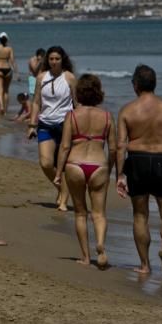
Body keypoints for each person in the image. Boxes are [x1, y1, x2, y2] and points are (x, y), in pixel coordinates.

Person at [117, 64, 162, 276]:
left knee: (140, 214)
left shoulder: (127, 110)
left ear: (135, 85)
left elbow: (120, 145)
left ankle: (145, 265)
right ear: (154, 83)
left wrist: (120, 174)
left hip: (137, 161)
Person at [54, 74, 116, 269]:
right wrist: (111, 169)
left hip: (75, 164)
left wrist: (58, 173)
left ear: (79, 93)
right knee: (99, 213)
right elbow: (114, 148)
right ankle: (101, 245)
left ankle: (85, 257)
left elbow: (64, 146)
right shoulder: (107, 116)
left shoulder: (72, 115)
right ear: (98, 93)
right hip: (99, 165)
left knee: (80, 213)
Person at [29, 46, 76, 211]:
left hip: (66, 125)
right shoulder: (41, 77)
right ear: (47, 60)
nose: (54, 62)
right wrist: (32, 125)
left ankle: (63, 200)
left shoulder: (69, 77)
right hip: (45, 124)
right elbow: (36, 102)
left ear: (62, 60)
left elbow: (76, 104)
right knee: (46, 163)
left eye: (57, 59)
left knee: (63, 165)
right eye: (51, 59)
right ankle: (62, 190)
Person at [0, 32, 17, 116]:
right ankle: (5, 110)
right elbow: (12, 61)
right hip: (8, 69)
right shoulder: (9, 49)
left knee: (0, 90)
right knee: (6, 91)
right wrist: (17, 73)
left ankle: (1, 107)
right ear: (7, 39)